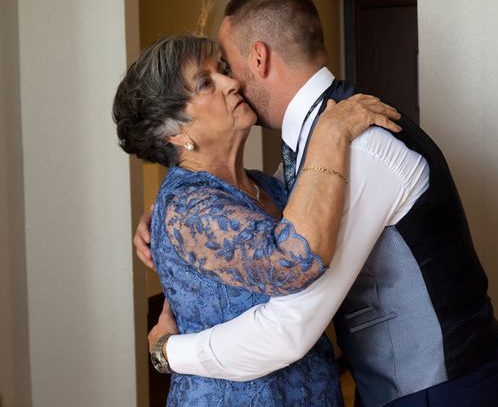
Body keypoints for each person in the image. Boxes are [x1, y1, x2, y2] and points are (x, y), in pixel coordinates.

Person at [136, 0, 498, 407]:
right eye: (212, 76)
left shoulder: (355, 145)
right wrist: (170, 223)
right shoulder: (312, 151)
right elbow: (230, 220)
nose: (229, 82)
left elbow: (291, 326)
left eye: (226, 65)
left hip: (439, 390)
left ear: (258, 58)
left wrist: (168, 351)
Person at [113, 34, 401, 406]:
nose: (232, 83)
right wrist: (330, 132)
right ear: (176, 132)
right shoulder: (187, 207)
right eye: (205, 83)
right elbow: (292, 264)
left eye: (221, 70)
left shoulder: (265, 185)